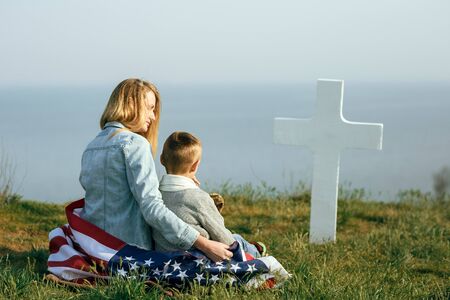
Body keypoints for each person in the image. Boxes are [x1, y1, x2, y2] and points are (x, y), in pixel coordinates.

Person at [78, 78, 232, 262]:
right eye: (150, 108)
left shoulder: (92, 146)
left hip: (93, 248)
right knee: (216, 237)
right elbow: (152, 208)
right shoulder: (135, 144)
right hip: (129, 253)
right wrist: (203, 244)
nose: (153, 116)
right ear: (130, 104)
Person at [153, 131, 266, 258]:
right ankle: (256, 251)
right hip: (200, 255)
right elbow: (221, 235)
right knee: (236, 238)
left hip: (165, 256)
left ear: (162, 159)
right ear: (195, 166)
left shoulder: (154, 195)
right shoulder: (199, 199)